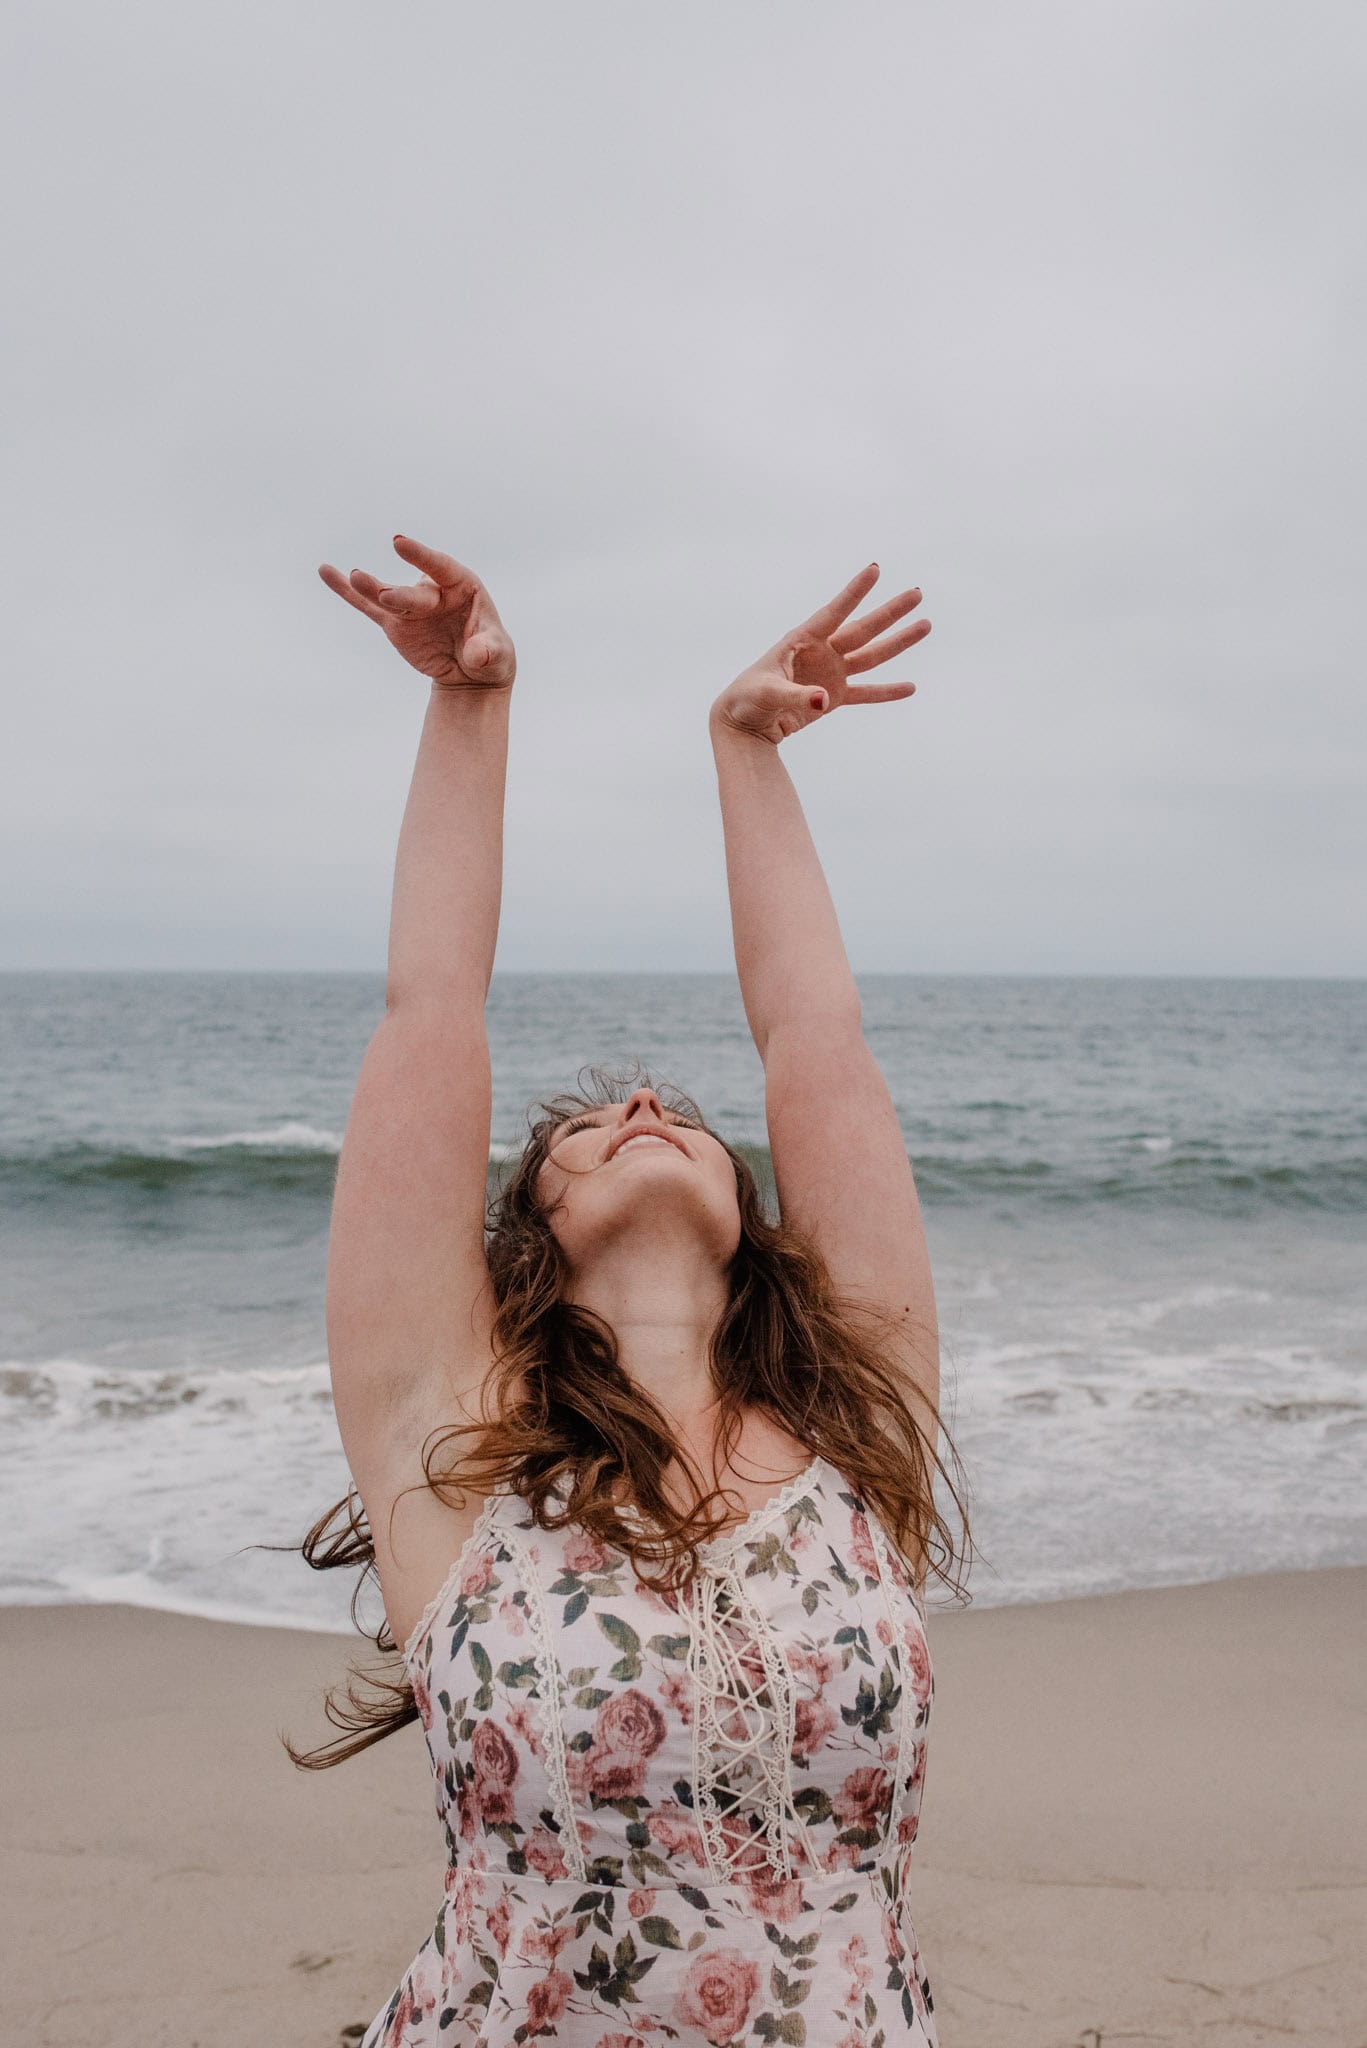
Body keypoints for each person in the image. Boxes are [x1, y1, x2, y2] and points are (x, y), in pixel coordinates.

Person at [294, 534, 972, 2047]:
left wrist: (748, 752)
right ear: (527, 1235)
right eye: (591, 1126)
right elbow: (430, 1011)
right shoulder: (459, 1452)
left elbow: (818, 1046)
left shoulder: (859, 1439)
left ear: (753, 1215)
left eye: (678, 1112)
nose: (651, 1105)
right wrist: (474, 705)